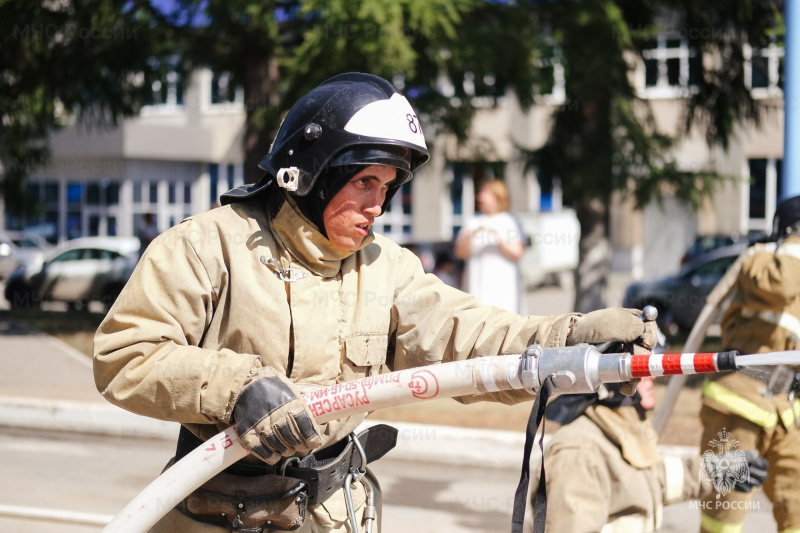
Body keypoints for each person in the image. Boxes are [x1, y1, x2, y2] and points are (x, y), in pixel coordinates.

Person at [93, 72, 657, 533]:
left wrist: (574, 339)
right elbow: (126, 355)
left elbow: (471, 336)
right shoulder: (206, 246)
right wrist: (235, 387)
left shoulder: (386, 267)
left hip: (338, 514)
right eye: (365, 182)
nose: (378, 205)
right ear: (311, 172)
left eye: (387, 187)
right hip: (217, 518)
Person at [541, 377, 768, 533]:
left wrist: (717, 470)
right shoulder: (579, 451)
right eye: (640, 366)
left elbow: (650, 481)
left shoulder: (617, 431)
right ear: (608, 377)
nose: (652, 376)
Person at [697, 194, 800, 533]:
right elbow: (782, 287)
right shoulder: (759, 262)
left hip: (785, 410)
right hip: (737, 406)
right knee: (723, 515)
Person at [454, 179, 527, 314]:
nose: (479, 197)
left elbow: (517, 253)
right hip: (476, 287)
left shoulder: (510, 221)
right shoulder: (473, 221)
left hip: (504, 290)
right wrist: (467, 238)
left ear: (497, 198)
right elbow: (460, 254)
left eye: (484, 193)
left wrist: (497, 237)